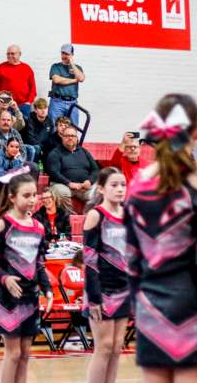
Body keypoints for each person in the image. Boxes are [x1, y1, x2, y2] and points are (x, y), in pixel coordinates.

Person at [125, 93, 197, 381]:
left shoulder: (139, 183)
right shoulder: (192, 181)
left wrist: (136, 300)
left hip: (149, 301)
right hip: (189, 298)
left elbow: (130, 255)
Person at [0, 173, 53, 383]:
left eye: (35, 194)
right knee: (13, 354)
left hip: (30, 296)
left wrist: (48, 289)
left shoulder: (39, 227)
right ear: (13, 197)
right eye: (27, 195)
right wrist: (5, 278)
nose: (32, 199)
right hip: (9, 296)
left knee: (25, 355)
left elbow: (40, 262)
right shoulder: (3, 224)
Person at [84, 167, 129, 383]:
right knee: (104, 347)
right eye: (114, 185)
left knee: (117, 348)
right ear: (101, 188)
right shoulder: (95, 215)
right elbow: (90, 260)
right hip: (101, 289)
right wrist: (94, 298)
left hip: (124, 288)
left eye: (123, 185)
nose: (120, 189)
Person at [46, 126, 100, 208]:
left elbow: (95, 169)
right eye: (67, 136)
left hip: (84, 187)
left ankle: (89, 216)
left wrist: (90, 181)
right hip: (64, 185)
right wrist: (69, 183)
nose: (70, 138)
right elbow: (54, 172)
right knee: (60, 192)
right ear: (62, 138)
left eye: (72, 136)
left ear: (76, 138)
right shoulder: (55, 153)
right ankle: (69, 217)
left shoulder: (84, 151)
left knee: (100, 192)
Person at [0, 45, 37, 120]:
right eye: (8, 54)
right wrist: (0, 100)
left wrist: (28, 102)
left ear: (19, 54)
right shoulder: (1, 67)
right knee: (5, 128)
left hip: (23, 106)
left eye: (12, 53)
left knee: (23, 129)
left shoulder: (27, 68)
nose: (10, 56)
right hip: (5, 105)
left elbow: (33, 89)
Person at [48, 44, 85, 126]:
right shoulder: (56, 66)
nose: (64, 56)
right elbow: (57, 80)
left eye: (67, 54)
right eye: (63, 53)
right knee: (54, 126)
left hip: (72, 102)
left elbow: (81, 78)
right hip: (57, 102)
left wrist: (72, 64)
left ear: (72, 55)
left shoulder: (77, 67)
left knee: (73, 126)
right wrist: (75, 80)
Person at [21, 98, 54, 162]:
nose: (43, 111)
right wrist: (42, 147)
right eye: (40, 108)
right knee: (37, 148)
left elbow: (51, 138)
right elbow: (31, 139)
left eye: (45, 108)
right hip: (29, 146)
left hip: (43, 147)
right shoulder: (29, 119)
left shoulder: (50, 121)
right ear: (35, 110)